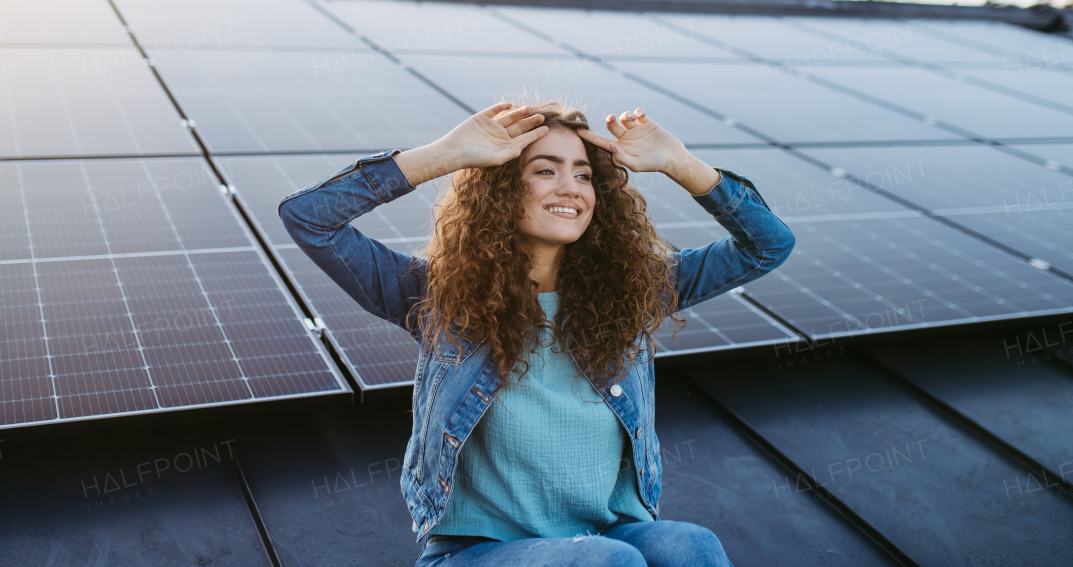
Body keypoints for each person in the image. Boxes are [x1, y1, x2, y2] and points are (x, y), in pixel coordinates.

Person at [279, 101, 795, 566]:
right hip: (482, 554)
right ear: (502, 190)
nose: (570, 187)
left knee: (690, 547)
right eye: (545, 170)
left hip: (607, 535)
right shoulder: (436, 296)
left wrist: (681, 163)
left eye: (584, 175)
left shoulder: (633, 292)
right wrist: (447, 154)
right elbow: (310, 219)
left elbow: (767, 245)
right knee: (605, 563)